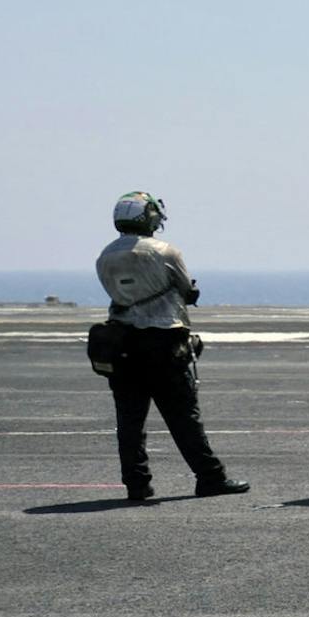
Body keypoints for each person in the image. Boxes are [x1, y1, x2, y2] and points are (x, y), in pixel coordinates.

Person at [93, 193, 249, 500]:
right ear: (148, 218)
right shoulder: (165, 251)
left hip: (122, 344)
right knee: (183, 416)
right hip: (163, 342)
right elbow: (186, 289)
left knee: (129, 421)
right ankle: (210, 477)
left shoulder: (104, 256)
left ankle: (137, 484)